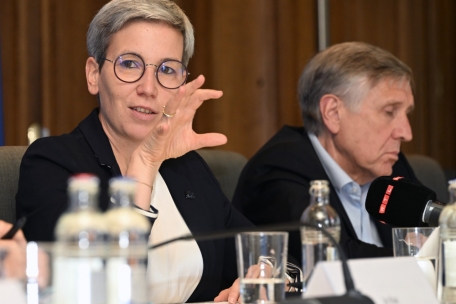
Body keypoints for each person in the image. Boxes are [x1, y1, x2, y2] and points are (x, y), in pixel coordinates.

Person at [15, 0, 259, 302]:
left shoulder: (187, 168)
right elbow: (87, 291)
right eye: (130, 64)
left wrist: (263, 277)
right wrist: (145, 162)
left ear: (182, 83)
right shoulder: (53, 163)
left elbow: (262, 252)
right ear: (94, 74)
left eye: (167, 69)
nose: (149, 88)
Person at [232, 42, 420, 264]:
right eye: (389, 112)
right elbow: (330, 260)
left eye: (406, 113)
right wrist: (421, 258)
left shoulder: (389, 164)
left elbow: (439, 235)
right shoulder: (276, 172)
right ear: (333, 113)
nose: (406, 133)